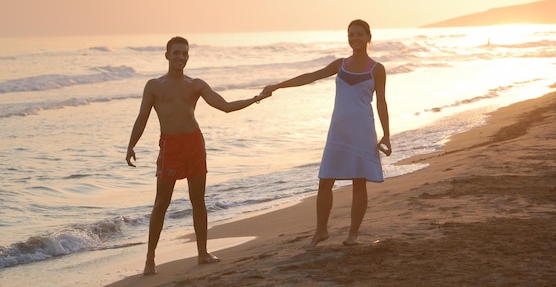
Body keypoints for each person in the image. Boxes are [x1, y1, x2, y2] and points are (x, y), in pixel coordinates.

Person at [125, 36, 269, 275]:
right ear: (167, 55)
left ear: (188, 57)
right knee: (161, 203)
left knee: (198, 200)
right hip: (170, 147)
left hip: (194, 144)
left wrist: (255, 99)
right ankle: (150, 259)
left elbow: (225, 106)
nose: (180, 57)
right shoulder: (154, 86)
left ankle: (202, 253)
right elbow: (142, 117)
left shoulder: (196, 85)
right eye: (176, 53)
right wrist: (131, 145)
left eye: (184, 53)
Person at [262, 19, 391, 249]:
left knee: (359, 183)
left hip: (362, 131)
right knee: (325, 180)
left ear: (368, 37)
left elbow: (381, 102)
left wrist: (386, 135)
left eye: (360, 34)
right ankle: (321, 230)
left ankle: (353, 234)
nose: (355, 39)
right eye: (351, 35)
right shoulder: (340, 64)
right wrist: (277, 85)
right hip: (338, 132)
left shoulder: (377, 69)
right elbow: (310, 76)